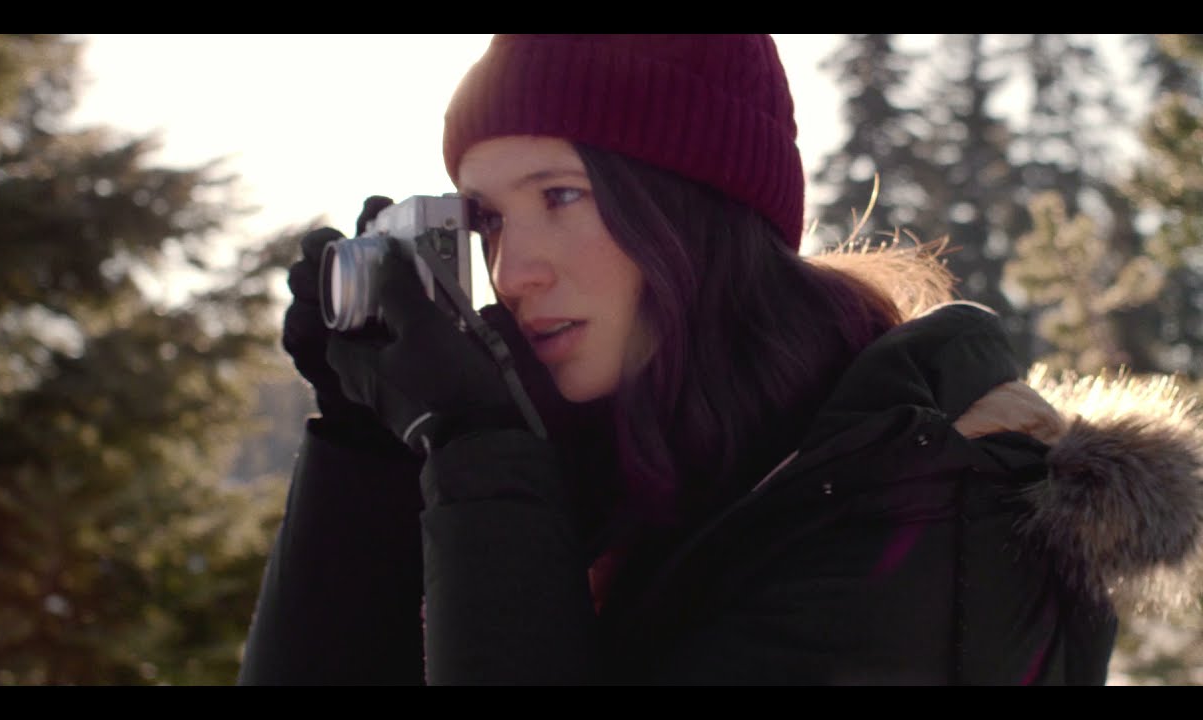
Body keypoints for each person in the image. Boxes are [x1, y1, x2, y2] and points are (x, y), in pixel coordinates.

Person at [237, 34, 1203, 685]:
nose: (514, 271)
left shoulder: (930, 503)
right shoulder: (608, 478)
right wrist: (369, 451)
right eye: (488, 220)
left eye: (562, 195)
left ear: (693, 208)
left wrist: (479, 445)